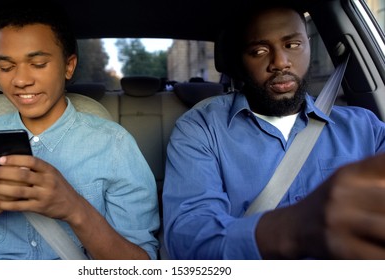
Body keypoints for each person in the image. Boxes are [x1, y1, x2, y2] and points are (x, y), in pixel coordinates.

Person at [0, 1, 159, 260]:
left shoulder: (115, 145)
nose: (21, 80)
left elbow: (141, 268)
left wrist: (74, 209)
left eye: (37, 64)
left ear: (68, 66)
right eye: (6, 67)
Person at [162, 2, 385, 259]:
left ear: (309, 45)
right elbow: (188, 240)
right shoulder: (201, 129)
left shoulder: (365, 128)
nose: (280, 62)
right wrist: (294, 228)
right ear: (239, 61)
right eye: (259, 50)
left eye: (292, 45)